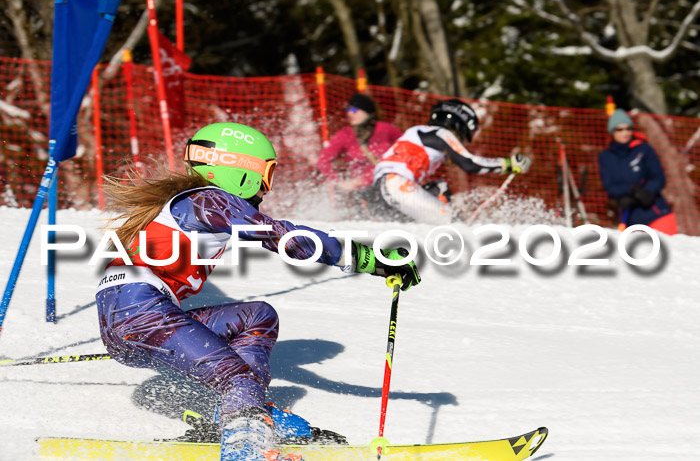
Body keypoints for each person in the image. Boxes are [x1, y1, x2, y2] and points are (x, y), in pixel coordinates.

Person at [96, 122, 421, 461]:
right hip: (142, 315)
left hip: (135, 320)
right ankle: (244, 447)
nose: (266, 189)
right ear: (240, 170)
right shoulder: (208, 200)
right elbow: (288, 239)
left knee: (258, 316)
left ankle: (250, 415)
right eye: (267, 175)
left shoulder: (200, 205)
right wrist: (368, 259)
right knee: (235, 378)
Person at [368, 98, 532, 224]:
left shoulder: (418, 131)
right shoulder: (441, 133)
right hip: (396, 186)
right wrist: (508, 164)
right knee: (454, 225)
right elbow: (469, 163)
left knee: (440, 187)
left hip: (382, 190)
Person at [598, 109, 677, 235]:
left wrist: (647, 191)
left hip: (657, 213)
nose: (625, 133)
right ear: (612, 131)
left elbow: (658, 178)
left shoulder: (643, 149)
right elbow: (610, 187)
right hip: (631, 219)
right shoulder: (606, 157)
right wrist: (632, 191)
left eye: (628, 129)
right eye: (620, 129)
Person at [316, 93, 403, 193]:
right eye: (347, 110)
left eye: (354, 110)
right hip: (362, 191)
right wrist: (339, 182)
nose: (349, 113)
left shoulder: (385, 129)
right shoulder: (344, 135)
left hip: (390, 183)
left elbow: (408, 147)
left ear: (366, 111)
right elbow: (322, 161)